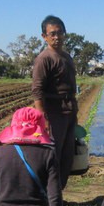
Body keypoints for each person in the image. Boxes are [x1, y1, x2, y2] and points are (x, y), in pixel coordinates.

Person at [31, 14, 77, 190]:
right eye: (52, 34)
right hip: (53, 112)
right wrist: (43, 119)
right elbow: (37, 90)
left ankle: (57, 195)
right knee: (53, 156)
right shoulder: (44, 59)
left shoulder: (66, 57)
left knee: (66, 156)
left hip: (69, 110)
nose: (56, 37)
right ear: (44, 36)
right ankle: (46, 197)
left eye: (60, 32)